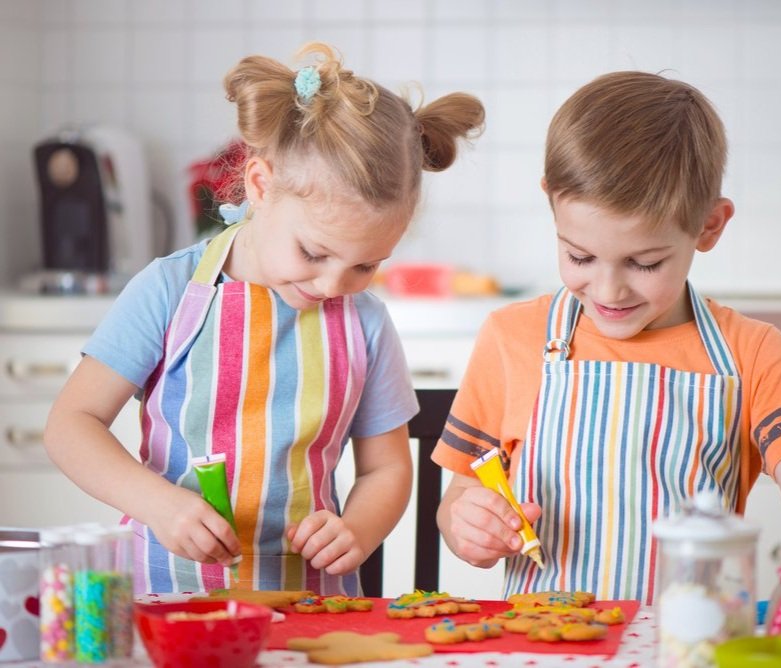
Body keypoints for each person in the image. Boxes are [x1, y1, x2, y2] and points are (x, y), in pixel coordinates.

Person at [44, 42, 484, 595]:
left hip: (311, 603)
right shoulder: (170, 290)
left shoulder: (365, 322)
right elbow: (71, 426)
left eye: (366, 265)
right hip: (166, 593)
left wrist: (357, 529)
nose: (332, 286)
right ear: (260, 186)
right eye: (314, 253)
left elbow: (386, 470)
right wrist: (158, 503)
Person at [432, 71, 781, 604]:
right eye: (579, 256)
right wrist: (470, 526)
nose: (608, 289)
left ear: (709, 227)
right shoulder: (513, 339)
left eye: (644, 263)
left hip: (687, 647)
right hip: (545, 647)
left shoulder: (753, 352)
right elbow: (458, 499)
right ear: (551, 205)